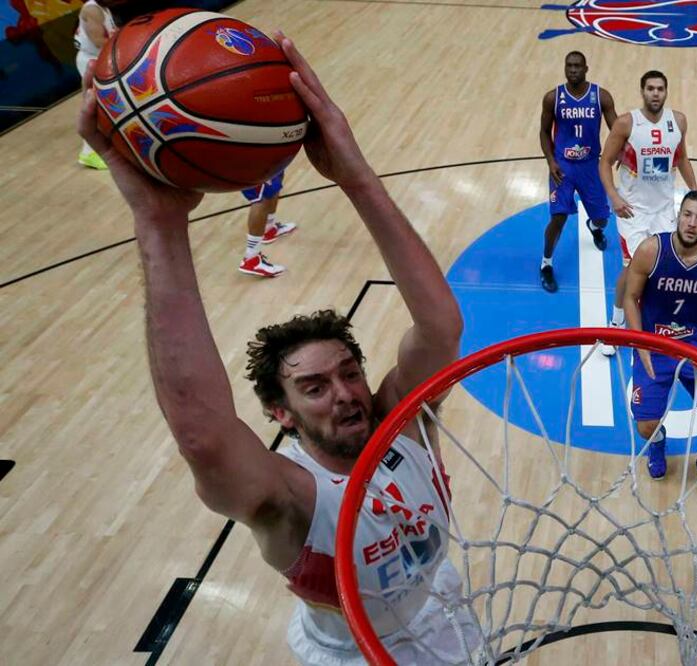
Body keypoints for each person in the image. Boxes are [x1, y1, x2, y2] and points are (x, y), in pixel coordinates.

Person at [77, 36, 479, 664]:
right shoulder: (289, 499)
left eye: (349, 373)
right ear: (281, 413)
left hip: (438, 610)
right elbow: (204, 435)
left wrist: (354, 175)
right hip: (352, 655)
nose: (345, 392)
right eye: (313, 387)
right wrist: (160, 222)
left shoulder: (403, 425)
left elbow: (441, 329)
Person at [623, 190, 697, 503]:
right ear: (678, 214)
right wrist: (640, 343)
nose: (692, 223)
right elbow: (629, 297)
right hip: (654, 342)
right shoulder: (651, 249)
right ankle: (658, 442)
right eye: (687, 214)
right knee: (646, 425)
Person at [598, 70, 697, 354]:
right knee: (631, 269)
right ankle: (616, 323)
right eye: (650, 88)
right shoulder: (626, 123)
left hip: (664, 210)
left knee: (663, 269)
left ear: (666, 92)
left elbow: (682, 158)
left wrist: (694, 192)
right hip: (633, 212)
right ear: (642, 91)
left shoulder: (678, 121)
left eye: (660, 89)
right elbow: (604, 162)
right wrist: (614, 197)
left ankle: (660, 323)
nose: (655, 93)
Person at [538, 50, 617, 293]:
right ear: (565, 68)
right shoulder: (553, 98)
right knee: (558, 217)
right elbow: (543, 132)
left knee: (602, 218)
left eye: (577, 66)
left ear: (586, 69)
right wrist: (551, 161)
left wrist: (619, 154)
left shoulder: (601, 96)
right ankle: (546, 264)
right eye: (569, 66)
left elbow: (618, 130)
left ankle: (593, 227)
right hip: (563, 166)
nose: (572, 70)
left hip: (591, 166)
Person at [74, 0, 120, 169]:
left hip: (101, 59)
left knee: (105, 106)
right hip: (91, 61)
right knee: (95, 107)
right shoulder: (92, 9)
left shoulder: (105, 7)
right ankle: (88, 153)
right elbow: (99, 41)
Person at [239, 170, 297, 277]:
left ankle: (268, 228)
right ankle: (251, 259)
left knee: (275, 178)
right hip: (247, 159)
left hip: (263, 156)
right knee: (261, 198)